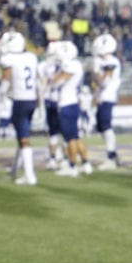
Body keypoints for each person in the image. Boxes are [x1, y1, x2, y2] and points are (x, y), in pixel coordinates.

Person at [0, 31, 40, 185]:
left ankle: (30, 175)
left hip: (20, 100)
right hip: (31, 99)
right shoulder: (31, 57)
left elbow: (6, 80)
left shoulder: (9, 59)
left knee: (23, 139)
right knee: (22, 137)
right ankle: (16, 170)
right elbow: (37, 79)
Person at [50, 40, 92, 177]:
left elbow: (57, 82)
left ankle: (72, 166)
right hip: (73, 102)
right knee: (75, 136)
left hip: (67, 104)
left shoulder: (70, 65)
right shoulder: (76, 64)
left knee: (70, 139)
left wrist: (55, 76)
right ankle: (86, 163)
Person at [90, 32, 122, 169]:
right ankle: (112, 153)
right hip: (102, 96)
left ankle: (111, 157)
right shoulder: (103, 60)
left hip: (107, 96)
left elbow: (103, 81)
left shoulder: (111, 61)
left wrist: (95, 74)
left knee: (106, 125)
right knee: (101, 126)